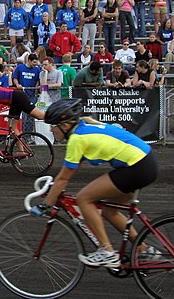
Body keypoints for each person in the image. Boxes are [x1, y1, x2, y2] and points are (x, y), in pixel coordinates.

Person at [31, 98, 158, 268]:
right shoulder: (84, 128)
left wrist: (45, 204)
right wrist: (55, 190)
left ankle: (106, 251)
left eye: (53, 126)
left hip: (137, 166)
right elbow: (69, 172)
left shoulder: (77, 139)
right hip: (145, 162)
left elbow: (63, 178)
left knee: (84, 198)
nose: (52, 130)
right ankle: (143, 250)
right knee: (109, 210)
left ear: (66, 125)